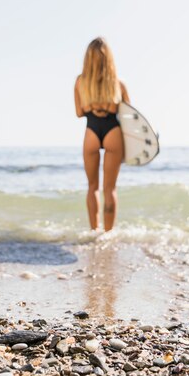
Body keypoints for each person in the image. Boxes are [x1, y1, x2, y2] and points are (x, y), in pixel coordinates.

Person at [74, 37, 130, 231]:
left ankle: (94, 232)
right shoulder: (118, 85)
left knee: (92, 187)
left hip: (91, 132)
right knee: (110, 189)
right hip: (113, 132)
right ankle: (108, 233)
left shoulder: (80, 82)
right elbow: (130, 117)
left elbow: (79, 112)